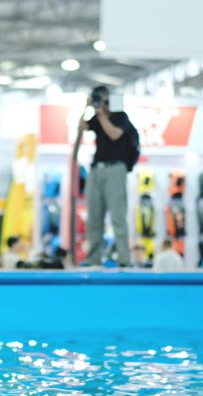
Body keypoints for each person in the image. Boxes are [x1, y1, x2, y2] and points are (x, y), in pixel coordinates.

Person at [79, 86, 135, 267]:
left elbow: (114, 134)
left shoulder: (120, 116)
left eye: (102, 99)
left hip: (115, 169)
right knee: (94, 218)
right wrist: (86, 108)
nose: (100, 103)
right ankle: (93, 258)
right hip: (96, 170)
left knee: (118, 216)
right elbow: (81, 128)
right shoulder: (96, 116)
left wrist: (102, 114)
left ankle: (124, 259)